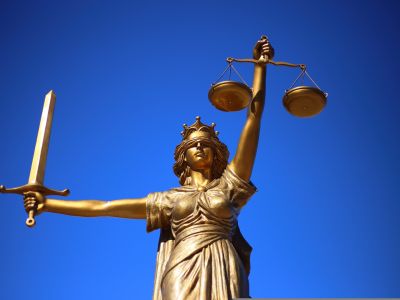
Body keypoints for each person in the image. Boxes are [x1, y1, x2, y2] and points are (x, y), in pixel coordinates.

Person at [24, 36, 272, 300]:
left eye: (206, 145)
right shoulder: (168, 200)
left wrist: (260, 69)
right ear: (183, 157)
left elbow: (252, 123)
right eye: (194, 145)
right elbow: (105, 207)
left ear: (217, 153)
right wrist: (47, 205)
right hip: (181, 266)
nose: (200, 148)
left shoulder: (229, 186)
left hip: (223, 263)